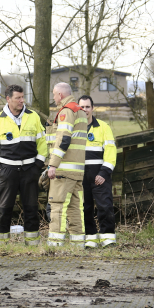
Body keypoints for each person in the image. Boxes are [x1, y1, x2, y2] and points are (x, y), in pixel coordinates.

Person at [0, 84, 48, 245]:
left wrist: (37, 165)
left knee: (31, 207)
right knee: (4, 208)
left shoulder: (33, 116)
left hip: (29, 170)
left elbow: (42, 143)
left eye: (22, 97)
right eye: (18, 98)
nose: (22, 100)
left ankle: (32, 243)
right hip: (7, 171)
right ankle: (0, 243)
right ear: (8, 99)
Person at [46, 82, 88, 247]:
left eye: (54, 94)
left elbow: (64, 139)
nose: (54, 98)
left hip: (64, 169)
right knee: (75, 208)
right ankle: (78, 244)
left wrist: (53, 165)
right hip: (77, 170)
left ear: (60, 95)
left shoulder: (66, 112)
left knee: (57, 205)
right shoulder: (80, 112)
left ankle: (55, 244)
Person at [77, 96, 117, 248]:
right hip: (80, 175)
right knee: (84, 208)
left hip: (99, 175)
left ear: (92, 108)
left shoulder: (103, 127)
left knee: (105, 206)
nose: (85, 110)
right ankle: (91, 239)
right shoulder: (74, 128)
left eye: (87, 107)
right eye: (82, 107)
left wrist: (104, 173)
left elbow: (111, 153)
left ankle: (108, 239)